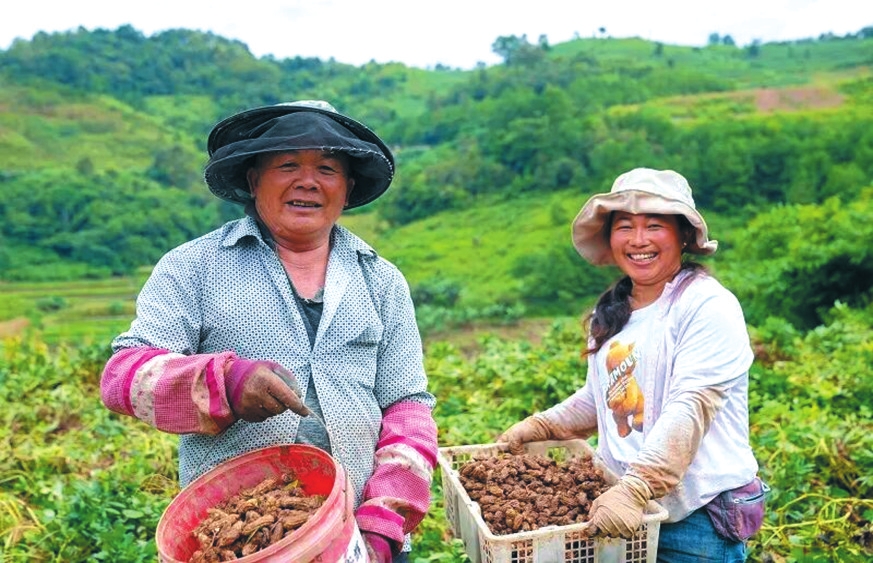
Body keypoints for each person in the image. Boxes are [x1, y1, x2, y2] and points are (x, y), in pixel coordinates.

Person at [100, 100, 437, 562]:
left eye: (327, 169)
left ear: (348, 187)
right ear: (254, 179)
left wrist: (383, 523)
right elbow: (123, 379)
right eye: (288, 165)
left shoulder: (381, 280)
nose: (308, 181)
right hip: (237, 537)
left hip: (360, 534)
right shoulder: (193, 268)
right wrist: (227, 384)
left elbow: (408, 407)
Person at [498, 168, 767, 562]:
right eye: (625, 226)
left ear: (682, 235)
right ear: (610, 238)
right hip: (620, 510)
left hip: (695, 519)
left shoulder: (707, 305)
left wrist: (636, 487)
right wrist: (542, 425)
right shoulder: (611, 313)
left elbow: (691, 405)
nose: (639, 240)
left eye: (654, 226)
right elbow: (602, 400)